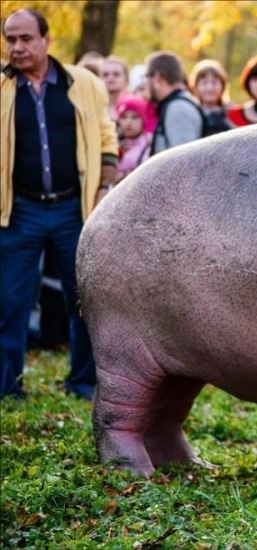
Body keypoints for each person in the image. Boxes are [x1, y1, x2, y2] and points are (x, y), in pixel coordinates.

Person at [1, 8, 118, 400]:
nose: (17, 47)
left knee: (83, 299)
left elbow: (106, 137)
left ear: (47, 40)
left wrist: (103, 189)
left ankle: (83, 382)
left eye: (25, 38)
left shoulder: (83, 83)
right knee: (10, 302)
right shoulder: (1, 88)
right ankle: (8, 387)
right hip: (19, 211)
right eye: (10, 39)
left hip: (74, 209)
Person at [145, 51, 203, 155]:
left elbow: (183, 160)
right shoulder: (176, 105)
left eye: (147, 76)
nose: (146, 82)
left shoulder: (178, 109)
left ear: (157, 77)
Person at [189, 59, 234, 136]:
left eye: (214, 82)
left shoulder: (232, 112)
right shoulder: (191, 112)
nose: (210, 88)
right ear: (196, 86)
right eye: (204, 83)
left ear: (223, 85)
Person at [115, 94, 152, 181]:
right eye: (124, 117)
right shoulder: (112, 144)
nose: (128, 122)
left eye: (135, 117)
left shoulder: (150, 144)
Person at [101, 55, 129, 123]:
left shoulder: (136, 106)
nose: (110, 78)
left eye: (116, 74)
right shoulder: (94, 107)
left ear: (126, 80)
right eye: (105, 75)